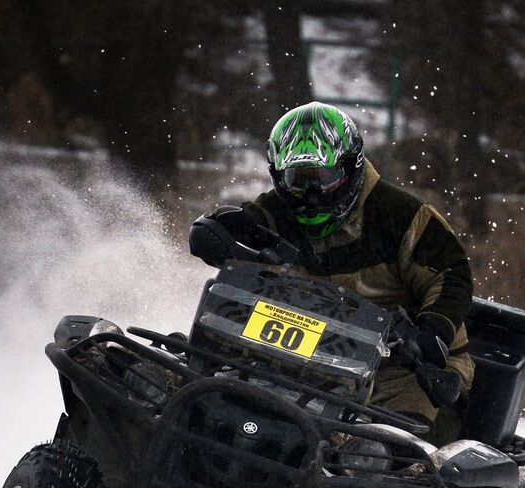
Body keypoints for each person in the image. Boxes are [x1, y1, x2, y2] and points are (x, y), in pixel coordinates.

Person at [190, 102, 475, 438]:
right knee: (198, 394)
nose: (311, 196)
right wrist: (216, 233)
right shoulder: (274, 211)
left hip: (403, 368)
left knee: (390, 446)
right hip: (307, 358)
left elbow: (451, 274)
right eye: (299, 181)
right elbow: (235, 227)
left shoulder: (403, 216)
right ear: (279, 177)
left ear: (350, 169)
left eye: (323, 179)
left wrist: (432, 333)